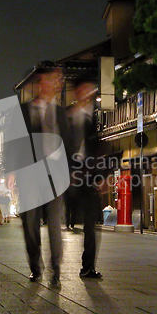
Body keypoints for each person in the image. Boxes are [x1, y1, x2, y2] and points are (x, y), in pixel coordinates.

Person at [5, 66, 72, 289]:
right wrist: (11, 170)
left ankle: (56, 269)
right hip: (29, 175)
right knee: (30, 222)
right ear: (39, 84)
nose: (50, 85)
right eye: (46, 81)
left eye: (54, 81)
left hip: (55, 176)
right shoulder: (22, 111)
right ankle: (36, 267)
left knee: (54, 222)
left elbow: (68, 145)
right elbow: (12, 141)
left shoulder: (60, 112)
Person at [67, 79, 103, 279]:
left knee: (91, 222)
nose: (87, 92)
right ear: (76, 92)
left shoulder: (92, 117)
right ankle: (48, 267)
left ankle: (87, 266)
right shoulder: (67, 116)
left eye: (90, 89)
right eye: (83, 89)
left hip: (87, 176)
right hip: (68, 174)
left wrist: (98, 177)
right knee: (56, 219)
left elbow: (95, 150)